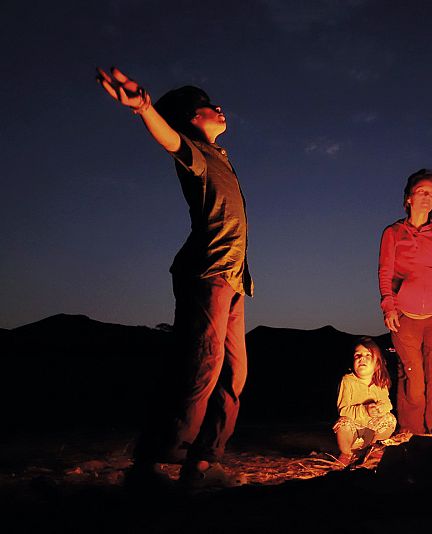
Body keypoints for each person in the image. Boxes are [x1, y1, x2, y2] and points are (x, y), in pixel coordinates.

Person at [96, 67, 254, 488]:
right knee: (202, 365)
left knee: (233, 374)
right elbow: (171, 141)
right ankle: (152, 461)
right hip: (207, 272)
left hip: (234, 277)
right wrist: (145, 108)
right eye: (208, 107)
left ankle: (203, 461)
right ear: (191, 119)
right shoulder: (196, 153)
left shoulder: (220, 157)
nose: (219, 108)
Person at [378, 169, 432, 435]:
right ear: (409, 198)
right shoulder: (393, 232)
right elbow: (385, 271)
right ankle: (411, 434)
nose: (427, 197)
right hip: (406, 316)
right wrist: (388, 306)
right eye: (421, 192)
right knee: (413, 380)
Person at [333, 337, 397, 466]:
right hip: (353, 431)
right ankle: (347, 453)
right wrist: (365, 410)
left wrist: (380, 409)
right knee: (342, 423)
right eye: (358, 355)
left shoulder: (380, 382)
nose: (362, 358)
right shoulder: (348, 381)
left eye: (368, 355)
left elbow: (388, 404)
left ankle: (373, 449)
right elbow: (343, 409)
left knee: (390, 419)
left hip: (371, 431)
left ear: (377, 364)